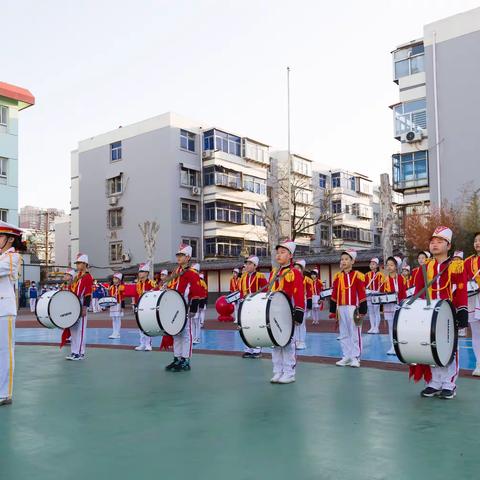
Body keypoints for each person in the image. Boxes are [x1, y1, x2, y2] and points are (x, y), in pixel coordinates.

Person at [412, 226, 468, 400]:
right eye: (432, 241)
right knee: (431, 347)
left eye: (439, 241)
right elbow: (418, 291)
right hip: (428, 315)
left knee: (450, 349)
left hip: (448, 313)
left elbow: (461, 289)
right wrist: (417, 312)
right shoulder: (424, 267)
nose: (434, 244)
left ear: (448, 245)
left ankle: (449, 382)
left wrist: (462, 310)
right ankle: (435, 381)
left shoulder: (457, 265)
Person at [269, 240, 305, 384]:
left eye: (283, 252)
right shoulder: (274, 272)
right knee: (276, 342)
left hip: (288, 310)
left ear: (290, 255)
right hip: (274, 311)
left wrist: (299, 311)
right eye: (278, 252)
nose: (279, 255)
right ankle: (278, 371)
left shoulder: (294, 272)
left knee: (288, 342)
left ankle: (289, 372)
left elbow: (299, 293)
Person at [165, 244, 202, 372]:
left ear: (188, 257)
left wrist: (193, 308)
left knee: (186, 333)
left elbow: (196, 290)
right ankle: (177, 358)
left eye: (181, 255)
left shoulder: (192, 273)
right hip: (175, 306)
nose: (179, 257)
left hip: (185, 306)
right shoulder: (176, 271)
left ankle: (186, 360)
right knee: (176, 333)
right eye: (178, 255)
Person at [0, 221, 25, 406]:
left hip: (4, 310)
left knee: (5, 352)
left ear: (10, 239)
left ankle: (4, 393)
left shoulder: (12, 257)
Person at [329, 249, 367, 368]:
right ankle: (346, 356)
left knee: (355, 333)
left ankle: (355, 357)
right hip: (341, 308)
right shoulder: (337, 276)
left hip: (353, 308)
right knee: (344, 333)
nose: (344, 261)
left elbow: (361, 293)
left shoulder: (358, 275)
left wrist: (363, 309)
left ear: (353, 261)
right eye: (342, 259)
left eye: (346, 259)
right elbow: (334, 293)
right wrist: (332, 310)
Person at [66, 253, 94, 361]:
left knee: (81, 330)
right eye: (77, 263)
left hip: (81, 304)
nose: (77, 265)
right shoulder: (76, 277)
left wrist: (84, 307)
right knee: (73, 329)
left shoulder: (87, 277)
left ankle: (80, 353)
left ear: (85, 264)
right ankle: (74, 351)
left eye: (79, 263)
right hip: (73, 304)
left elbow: (88, 293)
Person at [239, 255, 267, 358]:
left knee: (256, 327)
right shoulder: (243, 277)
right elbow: (241, 292)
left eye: (250, 263)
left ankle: (257, 350)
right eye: (246, 263)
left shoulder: (260, 276)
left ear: (255, 265)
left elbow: (265, 291)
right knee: (246, 327)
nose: (247, 265)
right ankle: (248, 350)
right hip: (245, 305)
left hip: (256, 305)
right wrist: (241, 302)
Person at [380, 256, 407, 355]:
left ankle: (400, 346)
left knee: (399, 326)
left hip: (399, 305)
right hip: (388, 306)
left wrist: (403, 304)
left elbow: (404, 293)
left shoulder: (401, 278)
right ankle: (392, 346)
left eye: (392, 265)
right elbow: (381, 292)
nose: (389, 267)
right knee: (391, 326)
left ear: (396, 267)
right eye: (388, 265)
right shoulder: (385, 279)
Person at [464, 234, 480, 375]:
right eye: (475, 240)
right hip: (473, 298)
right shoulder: (468, 261)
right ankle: (478, 364)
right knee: (475, 332)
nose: (477, 243)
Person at [133, 262, 156, 351]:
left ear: (146, 273)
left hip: (148, 307)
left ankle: (148, 344)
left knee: (147, 326)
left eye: (142, 271)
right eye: (139, 272)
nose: (140, 273)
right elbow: (136, 295)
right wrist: (135, 305)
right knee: (140, 326)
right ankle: (142, 343)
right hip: (139, 307)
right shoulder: (138, 284)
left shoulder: (152, 283)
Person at [293, 259, 311, 350]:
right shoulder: (291, 278)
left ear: (302, 269)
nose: (296, 270)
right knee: (294, 322)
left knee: (301, 322)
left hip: (302, 301)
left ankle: (302, 341)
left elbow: (309, 292)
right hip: (294, 301)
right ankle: (295, 341)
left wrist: (309, 305)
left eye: (298, 268)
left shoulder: (306, 279)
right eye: (295, 268)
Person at [365, 257, 383, 334]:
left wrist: (378, 291)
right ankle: (372, 327)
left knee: (376, 312)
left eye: (373, 264)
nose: (371, 265)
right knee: (371, 312)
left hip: (376, 295)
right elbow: (364, 285)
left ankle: (376, 327)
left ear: (377, 265)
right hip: (369, 295)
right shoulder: (367, 275)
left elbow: (382, 285)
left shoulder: (380, 275)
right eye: (371, 264)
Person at [108, 272, 125, 339]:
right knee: (113, 319)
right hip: (112, 305)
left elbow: (123, 297)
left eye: (116, 279)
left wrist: (122, 307)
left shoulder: (122, 287)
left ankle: (117, 333)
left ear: (119, 280)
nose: (114, 280)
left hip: (119, 304)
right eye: (113, 279)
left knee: (118, 319)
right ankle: (114, 332)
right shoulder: (111, 287)